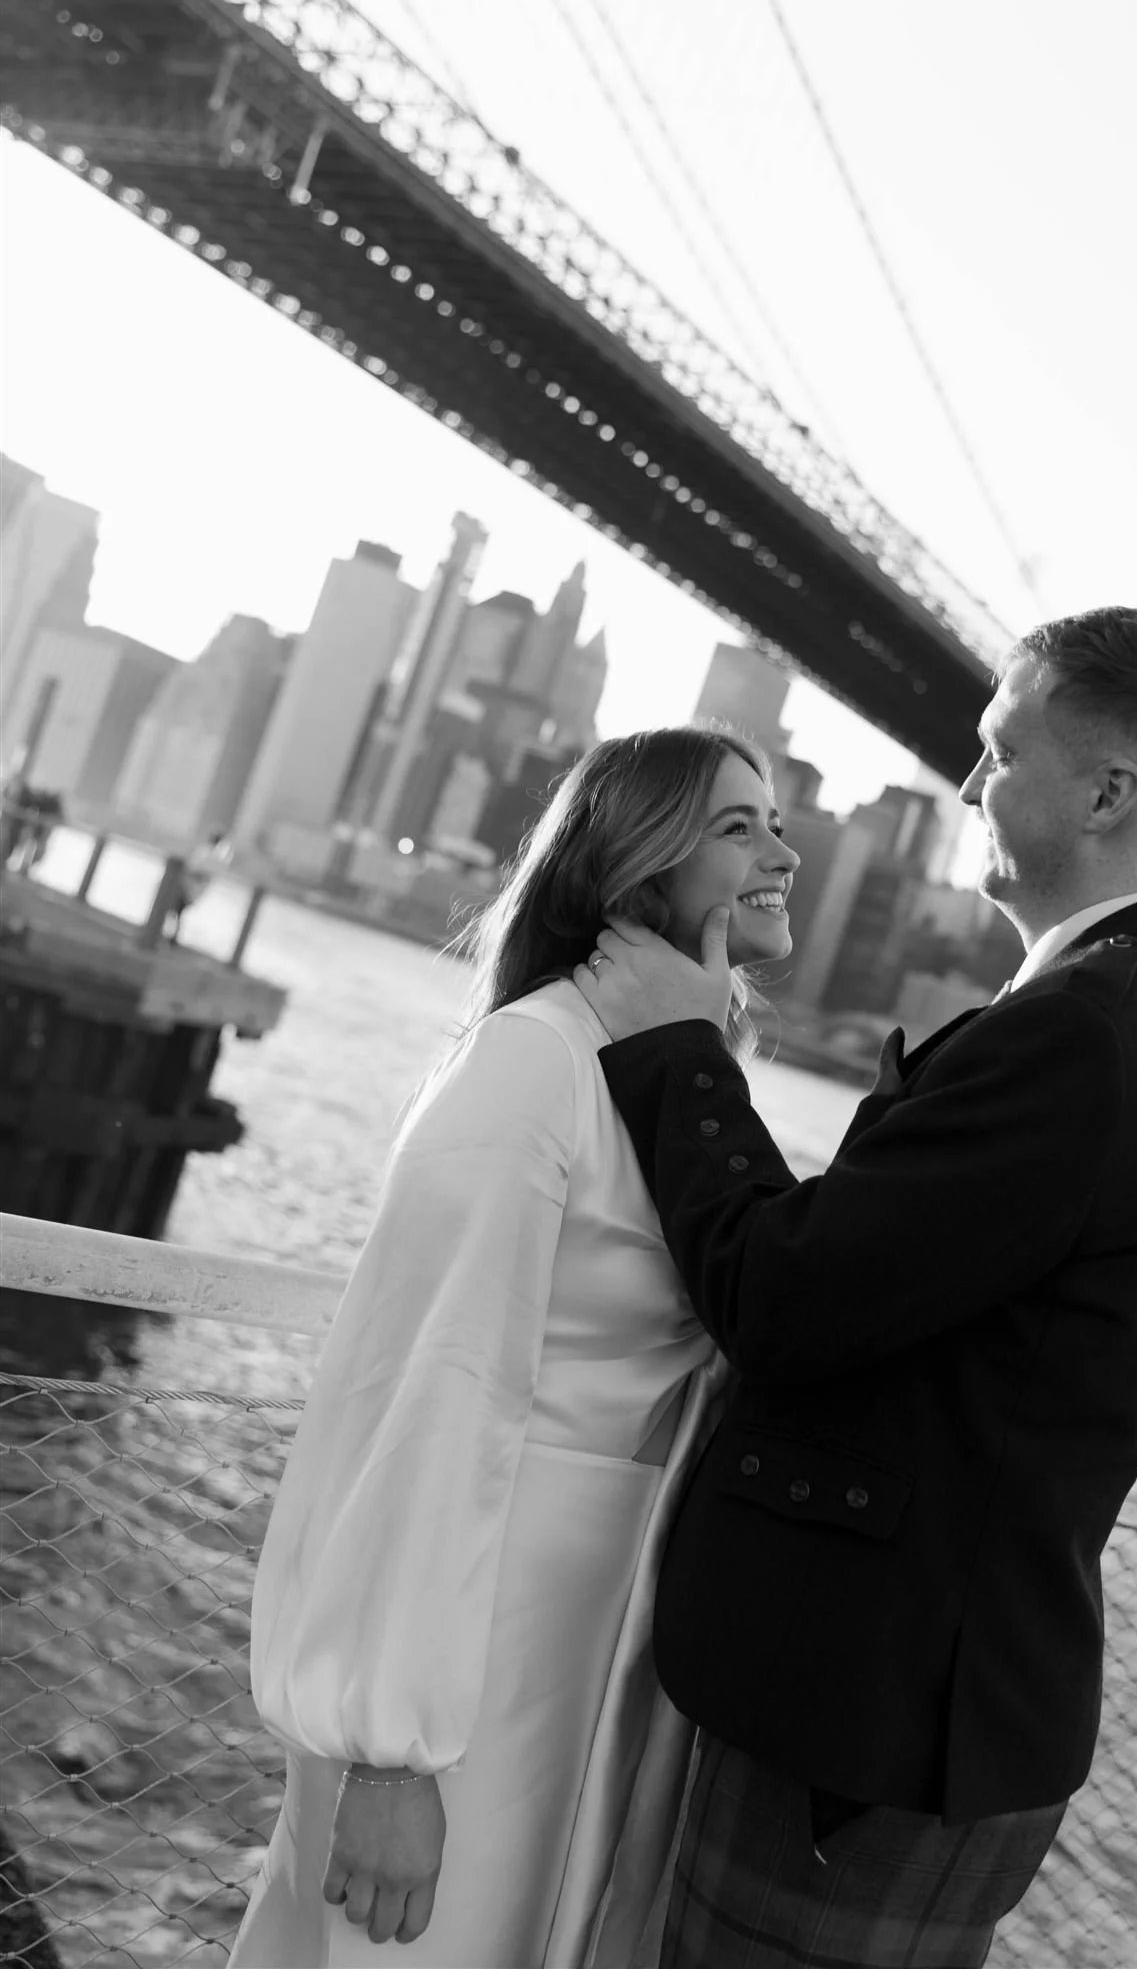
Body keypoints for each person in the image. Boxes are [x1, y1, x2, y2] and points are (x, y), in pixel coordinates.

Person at [577, 607, 1137, 1969]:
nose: (966, 786)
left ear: (1109, 792)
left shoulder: (1093, 1031)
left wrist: (675, 1049)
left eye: (998, 748)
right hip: (907, 1718)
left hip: (870, 1738)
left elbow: (782, 1300)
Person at [228, 726, 800, 1968]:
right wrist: (390, 1753)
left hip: (594, 1641)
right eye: (738, 824)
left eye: (776, 820)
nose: (784, 852)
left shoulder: (667, 1070)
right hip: (472, 1666)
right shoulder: (530, 1065)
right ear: (638, 863)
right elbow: (424, 1400)